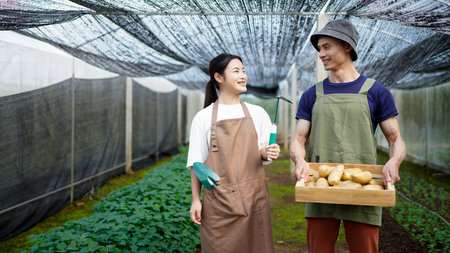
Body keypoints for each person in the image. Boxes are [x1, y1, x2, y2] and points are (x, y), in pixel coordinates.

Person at [290, 19, 406, 253]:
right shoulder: (312, 94)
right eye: (319, 48)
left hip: (364, 186)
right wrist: (299, 160)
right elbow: (299, 140)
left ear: (347, 46)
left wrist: (394, 161)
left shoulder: (377, 92)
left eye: (327, 47)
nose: (321, 54)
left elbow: (395, 140)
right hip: (319, 186)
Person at [186, 53, 280, 253]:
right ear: (219, 77)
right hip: (219, 203)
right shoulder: (203, 118)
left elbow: (262, 152)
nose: (243, 75)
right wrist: (196, 200)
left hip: (254, 199)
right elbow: (196, 163)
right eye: (236, 71)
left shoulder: (257, 113)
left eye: (243, 71)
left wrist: (268, 152)